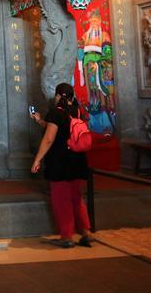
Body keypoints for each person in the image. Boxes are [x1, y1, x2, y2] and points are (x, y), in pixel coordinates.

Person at [30, 82, 94, 248]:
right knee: (76, 197)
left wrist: (37, 159)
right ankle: (86, 232)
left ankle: (66, 237)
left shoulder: (56, 112)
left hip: (60, 162)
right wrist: (40, 121)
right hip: (77, 160)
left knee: (61, 199)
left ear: (58, 96)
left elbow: (49, 138)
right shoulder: (78, 111)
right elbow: (59, 128)